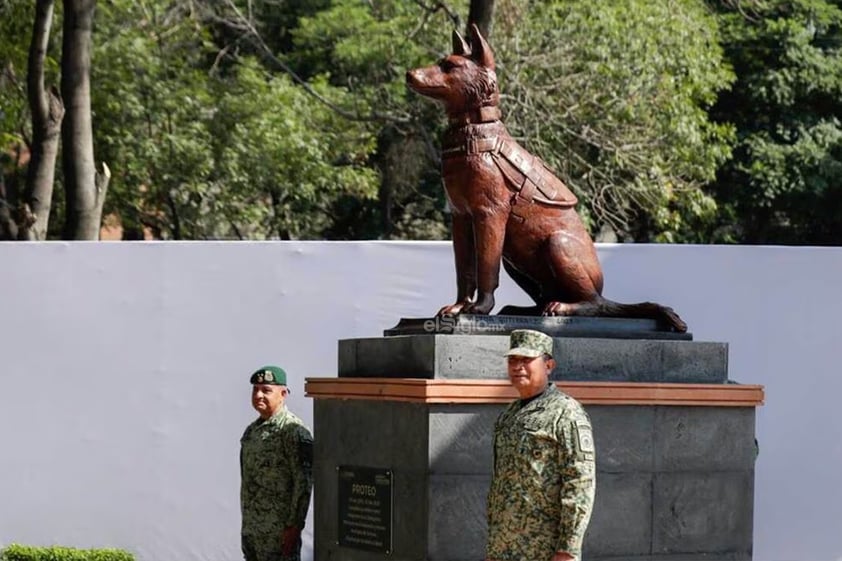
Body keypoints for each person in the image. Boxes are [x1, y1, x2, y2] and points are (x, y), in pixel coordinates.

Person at [485, 330, 596, 561]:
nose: (517, 367)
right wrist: (495, 546)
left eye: (526, 360)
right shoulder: (509, 414)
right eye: (513, 360)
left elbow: (580, 482)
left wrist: (568, 549)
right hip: (504, 546)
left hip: (544, 548)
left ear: (549, 365)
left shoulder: (566, 413)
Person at [240, 365, 313, 561]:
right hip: (253, 534)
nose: (259, 395)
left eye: (266, 390)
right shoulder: (251, 432)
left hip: (279, 537)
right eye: (256, 390)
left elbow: (303, 484)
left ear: (283, 394)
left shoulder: (293, 431)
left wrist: (294, 528)